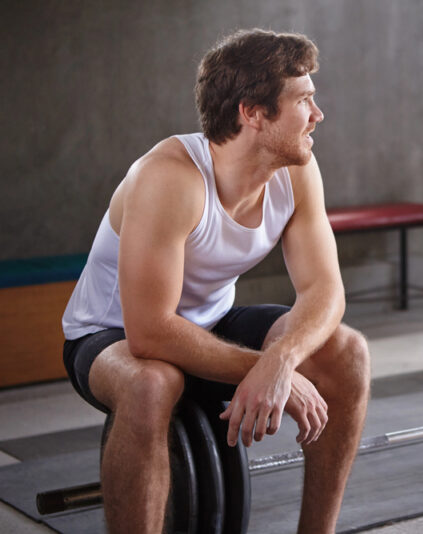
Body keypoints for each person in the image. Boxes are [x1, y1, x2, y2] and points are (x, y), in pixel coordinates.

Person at [61, 29, 370, 534]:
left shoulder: (298, 171)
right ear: (252, 112)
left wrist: (281, 360)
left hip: (210, 322)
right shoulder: (169, 178)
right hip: (108, 336)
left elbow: (325, 291)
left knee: (348, 352)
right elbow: (150, 334)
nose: (318, 116)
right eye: (304, 101)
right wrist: (270, 370)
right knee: (151, 382)